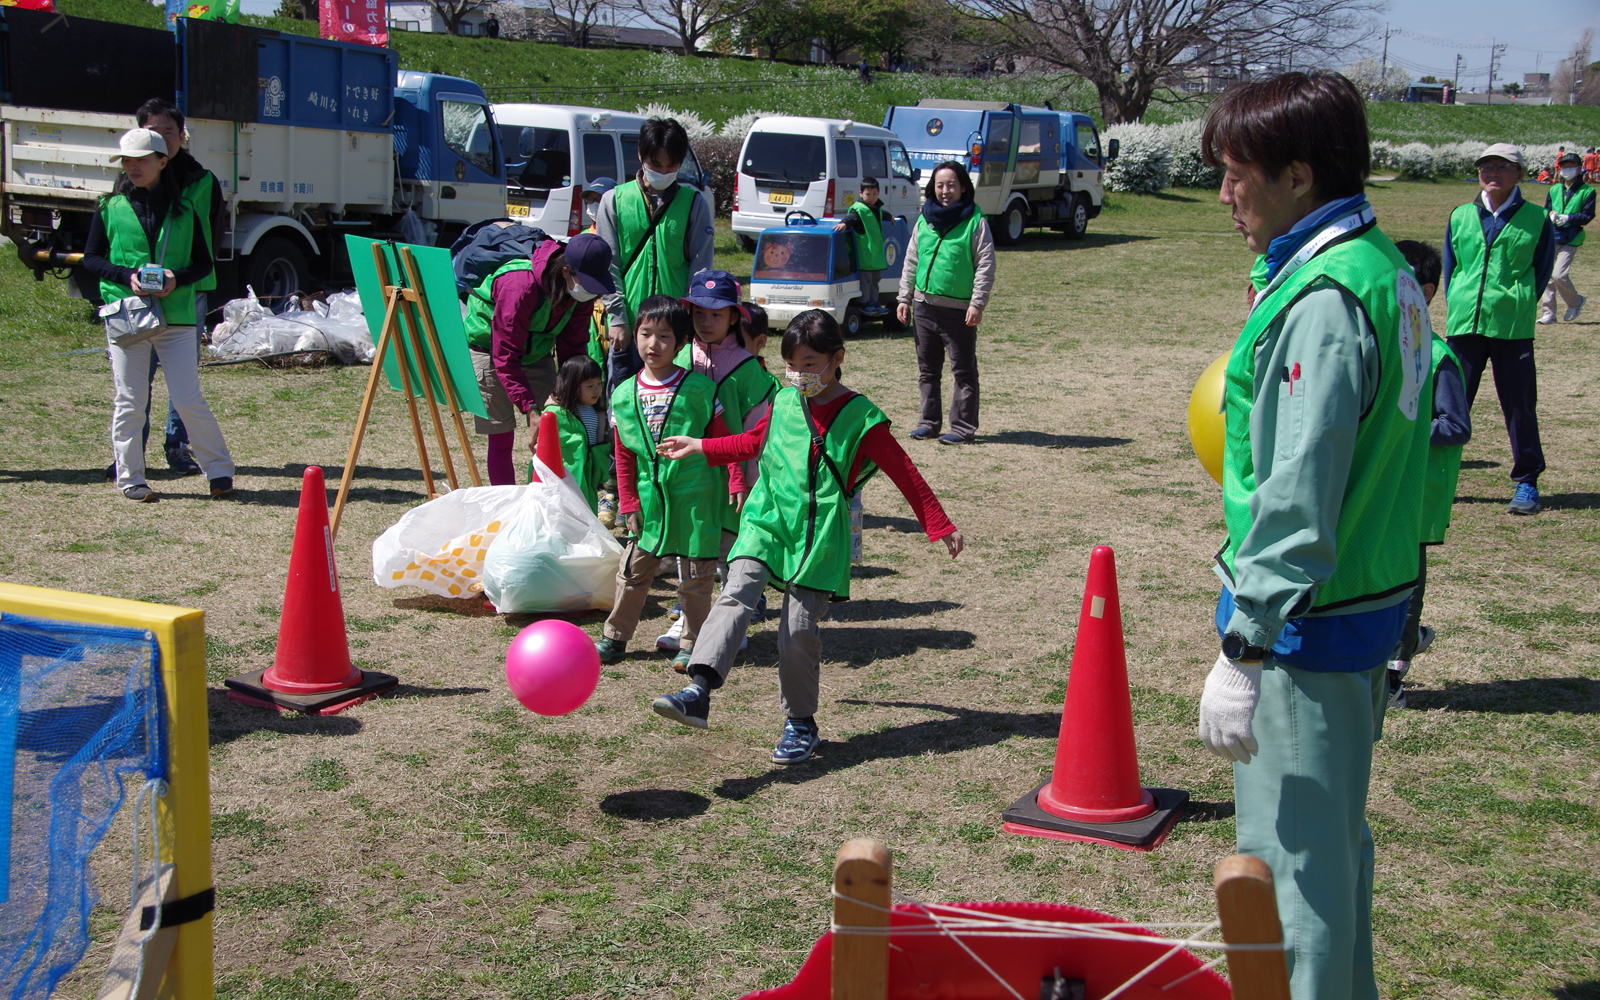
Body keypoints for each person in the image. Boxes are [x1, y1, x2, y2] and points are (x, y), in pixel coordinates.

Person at [1195, 72, 1430, 1000]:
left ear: (1297, 175)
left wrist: (1245, 643)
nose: (1224, 196)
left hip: (1309, 629)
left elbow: (1298, 496)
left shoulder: (1327, 300)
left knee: (1296, 882)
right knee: (1332, 856)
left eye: (1236, 174)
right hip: (1361, 608)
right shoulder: (1381, 270)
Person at [648, 310, 964, 764]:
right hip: (768, 520)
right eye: (791, 365)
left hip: (818, 537)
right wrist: (701, 446)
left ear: (838, 358)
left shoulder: (862, 418)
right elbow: (753, 441)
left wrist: (939, 524)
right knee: (736, 591)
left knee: (797, 630)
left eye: (810, 364)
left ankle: (800, 722)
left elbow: (903, 471)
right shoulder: (783, 400)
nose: (799, 375)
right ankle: (698, 688)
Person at [594, 296, 747, 671]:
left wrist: (736, 479)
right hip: (649, 502)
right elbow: (624, 455)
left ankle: (693, 642)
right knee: (633, 570)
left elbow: (722, 440)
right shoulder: (624, 394)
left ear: (680, 344)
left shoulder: (699, 390)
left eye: (664, 336)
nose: (653, 344)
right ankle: (615, 637)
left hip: (696, 499)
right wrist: (628, 502)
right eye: (646, 333)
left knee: (696, 577)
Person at [84, 128, 235, 503]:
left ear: (162, 161)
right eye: (126, 161)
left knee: (187, 399)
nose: (132, 167)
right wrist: (125, 276)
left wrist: (176, 278)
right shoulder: (109, 207)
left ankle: (219, 471)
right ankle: (131, 477)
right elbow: (91, 258)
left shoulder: (185, 209)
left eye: (141, 159)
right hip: (127, 316)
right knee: (130, 399)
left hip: (178, 316)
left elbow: (203, 263)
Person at [656, 269, 776, 653]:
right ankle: (689, 618)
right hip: (689, 473)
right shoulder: (680, 358)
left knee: (732, 550)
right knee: (688, 546)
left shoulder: (748, 369)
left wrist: (748, 478)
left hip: (735, 476)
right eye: (699, 314)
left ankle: (730, 625)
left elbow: (760, 432)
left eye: (717, 314)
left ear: (734, 318)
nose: (707, 322)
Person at [1442, 143, 1556, 515]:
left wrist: (1516, 302)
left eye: (1502, 166)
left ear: (1520, 174)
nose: (1492, 172)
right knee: (1448, 407)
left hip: (1512, 329)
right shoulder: (1459, 215)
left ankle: (1526, 482)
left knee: (1520, 407)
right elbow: (1452, 268)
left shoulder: (1537, 219)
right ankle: (1436, 478)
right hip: (1464, 326)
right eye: (1485, 166)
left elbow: (1540, 272)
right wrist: (1462, 299)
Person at [463, 231, 615, 486]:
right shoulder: (518, 285)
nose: (592, 293)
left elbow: (573, 350)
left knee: (556, 424)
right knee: (501, 435)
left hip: (536, 353)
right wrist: (529, 410)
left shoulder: (581, 294)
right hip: (491, 353)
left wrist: (578, 392)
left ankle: (548, 500)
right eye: (589, 284)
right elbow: (505, 356)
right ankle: (508, 509)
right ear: (566, 271)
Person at [1389, 240, 1472, 709]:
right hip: (1382, 488)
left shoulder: (1438, 359)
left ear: (1421, 292)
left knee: (1405, 583)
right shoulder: (1385, 346)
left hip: (1416, 496)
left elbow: (1455, 426)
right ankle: (1406, 637)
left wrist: (1400, 432)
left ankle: (1394, 675)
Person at [595, 118, 715, 397]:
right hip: (629, 325)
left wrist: (690, 323)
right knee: (624, 400)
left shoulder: (694, 203)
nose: (663, 171)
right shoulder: (614, 200)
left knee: (673, 399)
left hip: (673, 327)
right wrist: (617, 317)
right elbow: (608, 265)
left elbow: (701, 267)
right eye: (656, 164)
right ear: (640, 156)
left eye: (671, 166)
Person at [896, 161, 996, 445]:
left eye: (951, 185)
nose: (945, 191)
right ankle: (928, 423)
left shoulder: (976, 222)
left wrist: (977, 303)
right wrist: (904, 297)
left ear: (963, 187)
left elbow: (985, 265)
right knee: (927, 370)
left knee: (963, 370)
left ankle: (963, 428)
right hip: (924, 306)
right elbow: (911, 260)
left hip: (959, 310)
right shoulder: (924, 219)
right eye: (940, 185)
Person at [539, 355, 611, 512]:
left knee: (587, 511)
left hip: (588, 475)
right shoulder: (557, 413)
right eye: (590, 386)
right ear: (572, 386)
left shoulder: (596, 410)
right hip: (566, 479)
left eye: (599, 383)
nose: (597, 389)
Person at [1539, 151, 1593, 324]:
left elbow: (1587, 215)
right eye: (1564, 167)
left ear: (1579, 169)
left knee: (1559, 274)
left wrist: (1569, 218)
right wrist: (1552, 214)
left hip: (1572, 236)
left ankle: (1575, 302)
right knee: (1547, 275)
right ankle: (1548, 312)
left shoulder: (1587, 191)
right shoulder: (1554, 189)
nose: (1567, 170)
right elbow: (1546, 208)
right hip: (1553, 235)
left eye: (1571, 167)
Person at [834, 178, 894, 314]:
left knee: (875, 280)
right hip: (865, 253)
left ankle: (874, 301)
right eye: (868, 194)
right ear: (861, 193)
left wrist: (890, 217)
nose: (872, 197)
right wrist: (844, 224)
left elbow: (882, 214)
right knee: (866, 280)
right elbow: (851, 218)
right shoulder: (859, 209)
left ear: (878, 193)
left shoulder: (877, 208)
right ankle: (864, 302)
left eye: (874, 193)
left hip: (875, 254)